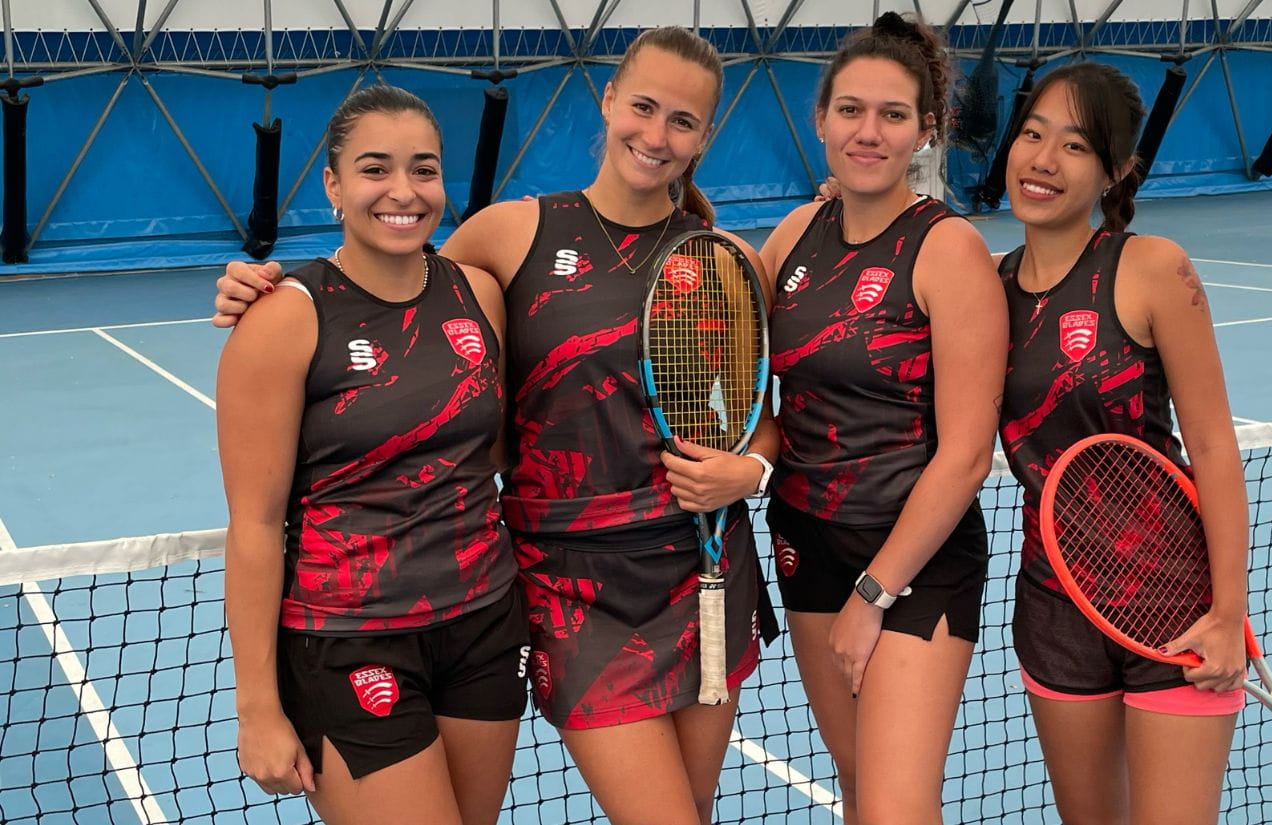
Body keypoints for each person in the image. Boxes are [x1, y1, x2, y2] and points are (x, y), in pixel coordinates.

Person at [212, 28, 777, 825]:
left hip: (691, 573)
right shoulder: (506, 236)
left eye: (683, 120)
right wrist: (265, 290)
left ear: (706, 137)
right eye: (643, 106)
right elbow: (395, 281)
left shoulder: (724, 260)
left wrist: (749, 473)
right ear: (608, 100)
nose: (657, 134)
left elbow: (757, 423)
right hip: (563, 587)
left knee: (694, 805)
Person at [216, 85, 528, 825]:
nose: (403, 191)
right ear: (333, 185)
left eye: (424, 169)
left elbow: (497, 452)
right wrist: (257, 706)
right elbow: (254, 525)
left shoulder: (479, 294)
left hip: (485, 623)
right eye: (375, 168)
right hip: (349, 640)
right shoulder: (283, 317)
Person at [755, 13, 1006, 825]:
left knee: (896, 805)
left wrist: (874, 592)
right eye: (851, 110)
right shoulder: (793, 235)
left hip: (915, 558)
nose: (869, 132)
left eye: (892, 115)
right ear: (821, 118)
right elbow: (741, 372)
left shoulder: (948, 249)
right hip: (807, 543)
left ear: (924, 131)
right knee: (860, 785)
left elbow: (967, 454)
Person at [995, 62, 1248, 824]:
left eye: (1074, 146)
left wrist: (1228, 612)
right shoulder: (984, 288)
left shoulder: (1151, 268)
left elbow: (1213, 446)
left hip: (1174, 606)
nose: (1043, 160)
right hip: (1056, 609)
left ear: (1115, 170)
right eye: (1032, 134)